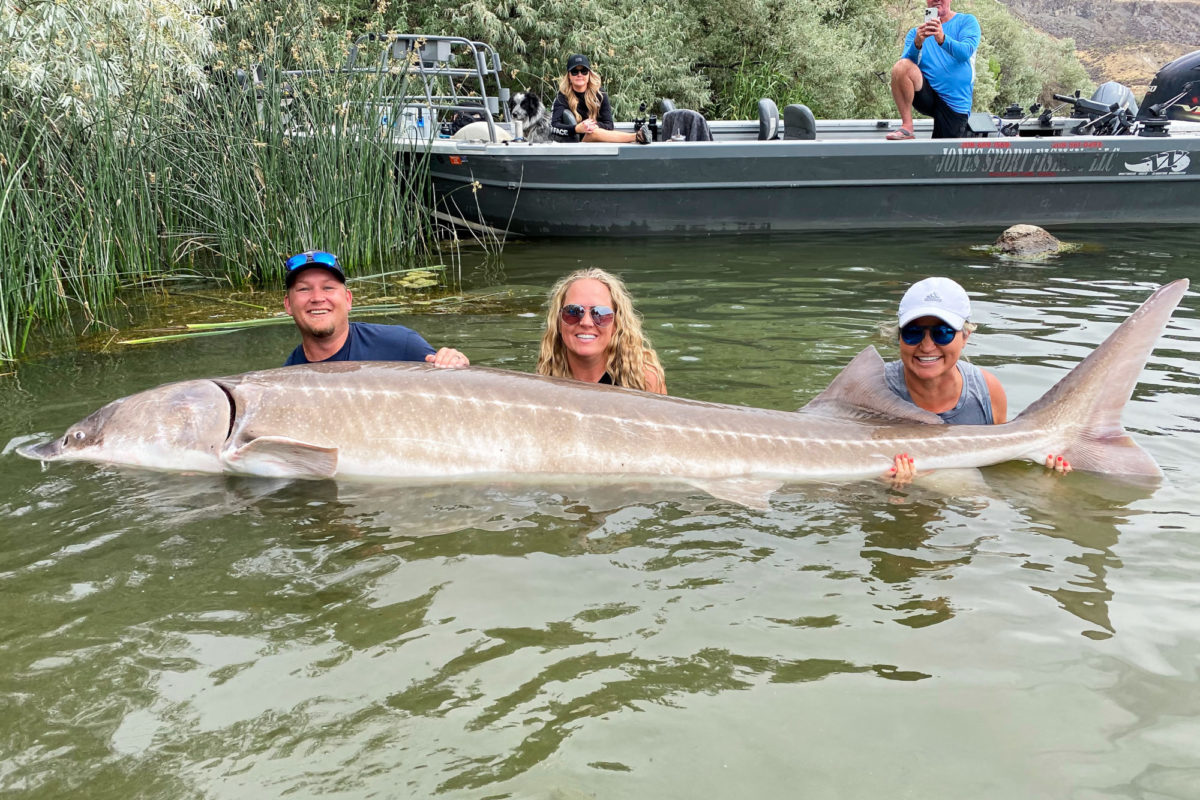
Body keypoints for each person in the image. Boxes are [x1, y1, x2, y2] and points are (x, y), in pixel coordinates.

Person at [884, 276, 1070, 481]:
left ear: (965, 337)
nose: (927, 346)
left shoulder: (987, 390)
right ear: (899, 337)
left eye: (942, 333)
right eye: (913, 333)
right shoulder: (873, 386)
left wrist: (1045, 474)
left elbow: (999, 464)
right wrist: (885, 489)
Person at [282, 250, 469, 368]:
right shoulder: (288, 375)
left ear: (348, 300)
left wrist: (457, 363)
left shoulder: (401, 344)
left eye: (328, 287)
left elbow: (455, 389)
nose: (317, 298)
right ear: (288, 305)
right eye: (304, 289)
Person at [536, 267, 666, 394]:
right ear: (558, 322)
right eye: (573, 311)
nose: (586, 322)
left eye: (600, 313)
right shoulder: (545, 378)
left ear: (617, 323)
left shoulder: (644, 379)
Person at [886, 0, 981, 140]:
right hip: (927, 95)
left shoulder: (967, 21)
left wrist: (942, 39)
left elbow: (965, 52)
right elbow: (903, 70)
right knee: (901, 66)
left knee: (942, 159)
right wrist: (917, 43)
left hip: (954, 103)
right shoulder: (915, 33)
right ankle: (907, 127)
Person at [549, 54, 651, 145]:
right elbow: (553, 127)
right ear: (569, 76)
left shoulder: (600, 94)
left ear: (589, 74)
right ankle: (637, 136)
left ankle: (638, 136)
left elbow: (609, 125)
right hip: (573, 146)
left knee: (593, 131)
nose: (580, 75)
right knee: (593, 132)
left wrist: (593, 126)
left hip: (596, 143)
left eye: (584, 71)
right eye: (575, 71)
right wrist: (577, 129)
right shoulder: (561, 98)